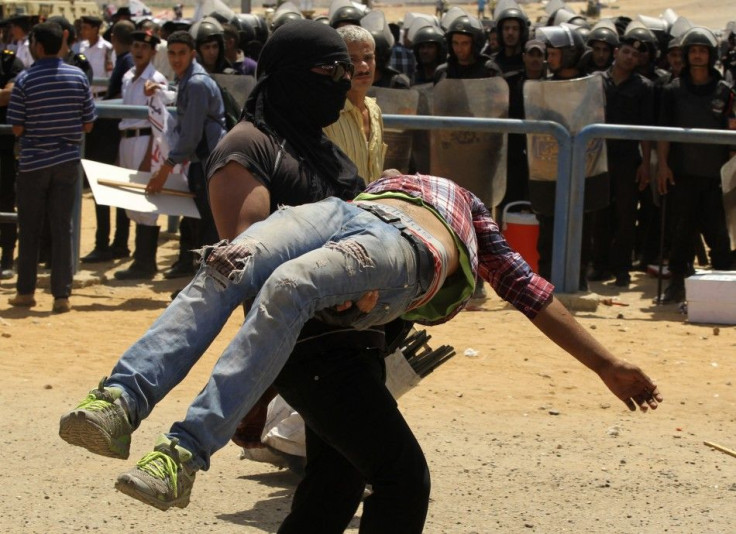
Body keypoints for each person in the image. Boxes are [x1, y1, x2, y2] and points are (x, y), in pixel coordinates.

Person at [60, 172, 662, 523]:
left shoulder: (428, 199)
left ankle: (150, 426)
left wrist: (607, 364)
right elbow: (531, 295)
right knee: (254, 273)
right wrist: (607, 364)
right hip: (372, 234)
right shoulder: (450, 205)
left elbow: (529, 296)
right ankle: (149, 426)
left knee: (250, 272)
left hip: (365, 230)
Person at [6, 21, 96, 313]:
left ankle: (25, 292)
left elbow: (17, 128)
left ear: (38, 47)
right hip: (67, 162)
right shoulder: (78, 77)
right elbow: (88, 123)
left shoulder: (24, 80)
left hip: (33, 164)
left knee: (29, 228)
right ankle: (61, 295)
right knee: (62, 228)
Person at [656, 27, 735, 304]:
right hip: (681, 174)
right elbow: (664, 133)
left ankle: (726, 287)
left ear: (711, 55)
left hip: (714, 177)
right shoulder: (673, 90)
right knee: (681, 233)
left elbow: (732, 135)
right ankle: (677, 284)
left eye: (703, 51)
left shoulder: (726, 92)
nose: (698, 55)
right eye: (693, 51)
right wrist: (662, 166)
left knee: (719, 235)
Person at [145, 30, 226, 280]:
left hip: (207, 160)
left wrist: (166, 168)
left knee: (206, 223)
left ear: (192, 54)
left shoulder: (196, 83)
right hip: (201, 160)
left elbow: (191, 135)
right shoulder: (187, 79)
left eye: (182, 53)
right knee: (196, 219)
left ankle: (206, 281)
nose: (176, 59)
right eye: (171, 53)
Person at [590, 35, 654, 287]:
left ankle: (622, 268)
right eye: (626, 52)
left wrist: (646, 164)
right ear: (617, 52)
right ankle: (600, 265)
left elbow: (647, 129)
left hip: (628, 160)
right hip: (600, 158)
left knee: (626, 216)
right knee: (599, 214)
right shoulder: (596, 81)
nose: (630, 58)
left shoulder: (644, 87)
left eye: (635, 55)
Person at [113, 30, 169, 280]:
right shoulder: (127, 76)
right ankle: (139, 258)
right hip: (127, 137)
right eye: (135, 46)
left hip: (146, 138)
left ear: (153, 51)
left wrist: (150, 155)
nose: (138, 51)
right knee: (130, 199)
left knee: (146, 200)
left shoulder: (156, 79)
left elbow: (158, 119)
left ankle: (146, 261)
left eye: (143, 47)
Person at [323, 24, 386, 183]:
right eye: (353, 60)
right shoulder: (326, 115)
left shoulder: (374, 111)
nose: (363, 67)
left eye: (368, 58)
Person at [0, 47, 23, 279]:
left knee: (5, 200)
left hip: (3, 148)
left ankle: (6, 255)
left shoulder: (10, 62)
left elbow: (8, 95)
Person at [434, 11, 501, 82]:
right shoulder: (443, 73)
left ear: (475, 44)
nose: (459, 49)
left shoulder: (490, 71)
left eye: (465, 43)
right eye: (455, 43)